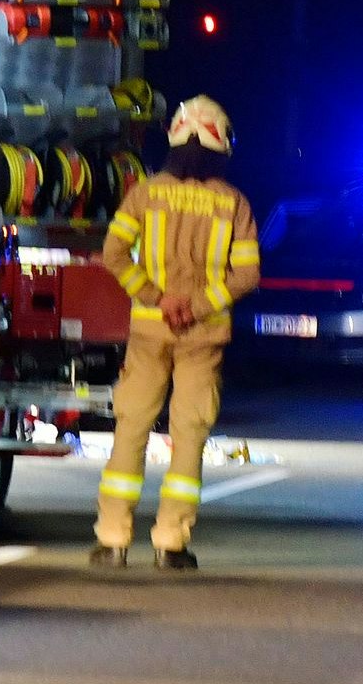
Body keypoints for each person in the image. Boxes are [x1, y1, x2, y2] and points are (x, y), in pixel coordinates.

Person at [94, 94, 261, 570]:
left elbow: (114, 254)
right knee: (188, 436)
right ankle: (170, 543)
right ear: (221, 146)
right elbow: (247, 275)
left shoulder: (145, 193)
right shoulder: (233, 203)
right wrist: (198, 306)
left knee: (131, 428)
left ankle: (112, 539)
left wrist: (156, 298)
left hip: (149, 333)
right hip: (203, 338)